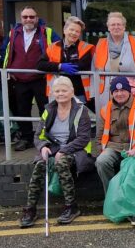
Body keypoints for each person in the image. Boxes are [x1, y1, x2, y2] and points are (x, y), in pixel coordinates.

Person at [20, 76, 95, 228]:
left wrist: (64, 150)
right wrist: (42, 147)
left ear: (72, 91)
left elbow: (83, 138)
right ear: (53, 92)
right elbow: (38, 135)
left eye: (64, 90)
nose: (61, 94)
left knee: (61, 163)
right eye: (57, 91)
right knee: (40, 165)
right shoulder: (48, 110)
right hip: (53, 148)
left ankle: (71, 206)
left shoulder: (82, 110)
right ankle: (30, 209)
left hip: (76, 150)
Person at [94, 76, 135, 227]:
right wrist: (98, 154)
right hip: (114, 146)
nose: (119, 94)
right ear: (112, 93)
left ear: (129, 91)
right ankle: (114, 200)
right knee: (101, 162)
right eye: (116, 91)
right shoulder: (105, 110)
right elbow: (98, 136)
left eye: (123, 90)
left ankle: (134, 209)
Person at [2, 6, 55, 151]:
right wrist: (7, 68)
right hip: (19, 79)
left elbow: (57, 48)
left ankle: (46, 137)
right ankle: (26, 138)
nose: (29, 19)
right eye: (25, 17)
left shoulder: (46, 32)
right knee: (22, 109)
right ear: (21, 19)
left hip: (40, 78)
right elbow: (5, 50)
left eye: (32, 17)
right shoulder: (14, 33)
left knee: (45, 109)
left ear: (37, 18)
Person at [91, 11, 135, 111]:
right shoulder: (100, 44)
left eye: (119, 24)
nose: (116, 27)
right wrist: (93, 94)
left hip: (131, 92)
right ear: (108, 27)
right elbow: (94, 71)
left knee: (131, 121)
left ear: (124, 27)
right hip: (106, 94)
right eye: (113, 24)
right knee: (108, 122)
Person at [37, 16, 94, 104]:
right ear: (64, 30)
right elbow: (40, 64)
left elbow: (82, 65)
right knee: (58, 117)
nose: (74, 33)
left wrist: (55, 65)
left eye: (77, 31)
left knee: (78, 117)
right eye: (71, 30)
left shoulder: (86, 47)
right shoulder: (53, 46)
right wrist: (60, 66)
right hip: (57, 93)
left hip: (78, 93)